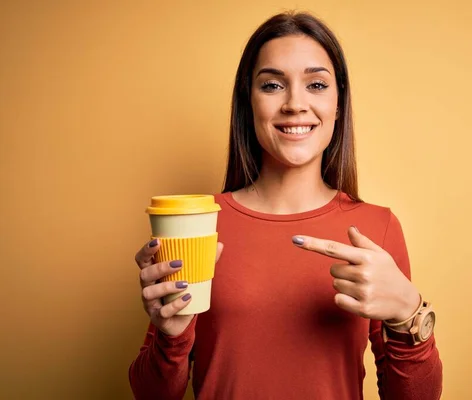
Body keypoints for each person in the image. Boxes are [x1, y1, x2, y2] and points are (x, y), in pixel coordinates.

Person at [129, 11, 443, 400]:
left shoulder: (377, 227)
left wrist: (408, 315)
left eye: (315, 84)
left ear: (338, 104)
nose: (295, 103)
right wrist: (170, 337)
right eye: (273, 85)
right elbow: (151, 394)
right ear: (249, 103)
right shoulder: (198, 224)